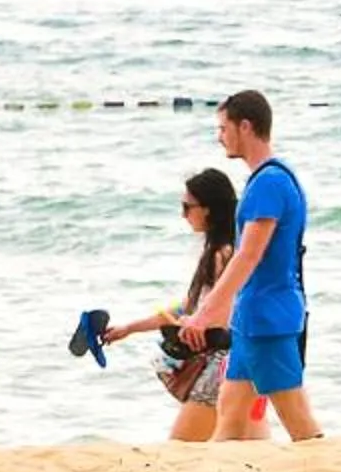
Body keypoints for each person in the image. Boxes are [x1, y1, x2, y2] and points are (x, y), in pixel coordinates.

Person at [186, 89, 321, 441]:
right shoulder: (267, 180)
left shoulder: (270, 183)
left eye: (223, 128)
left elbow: (249, 255)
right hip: (252, 320)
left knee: (301, 425)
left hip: (268, 320)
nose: (220, 137)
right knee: (229, 415)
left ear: (245, 126)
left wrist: (205, 313)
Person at [100, 168, 243, 441]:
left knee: (182, 446)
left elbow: (225, 311)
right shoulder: (218, 251)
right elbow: (187, 307)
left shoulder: (221, 254)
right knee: (234, 446)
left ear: (209, 210)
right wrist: (130, 328)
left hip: (220, 363)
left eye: (187, 207)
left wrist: (194, 324)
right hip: (231, 363)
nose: (183, 214)